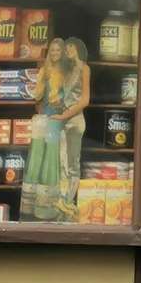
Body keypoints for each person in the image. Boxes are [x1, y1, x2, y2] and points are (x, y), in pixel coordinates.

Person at [20, 37, 67, 221]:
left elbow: (71, 96)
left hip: (60, 117)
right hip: (45, 115)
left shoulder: (67, 72)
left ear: (63, 53)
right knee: (37, 154)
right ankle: (31, 206)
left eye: (58, 50)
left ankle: (49, 206)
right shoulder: (44, 71)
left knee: (53, 156)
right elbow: (37, 96)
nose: (55, 53)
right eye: (52, 51)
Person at [56, 37, 91, 209]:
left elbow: (85, 100)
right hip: (62, 119)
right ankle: (61, 200)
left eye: (70, 46)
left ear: (78, 48)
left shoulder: (84, 68)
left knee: (73, 163)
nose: (67, 50)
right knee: (60, 162)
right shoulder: (66, 70)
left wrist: (65, 115)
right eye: (66, 47)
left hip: (75, 120)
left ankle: (69, 200)